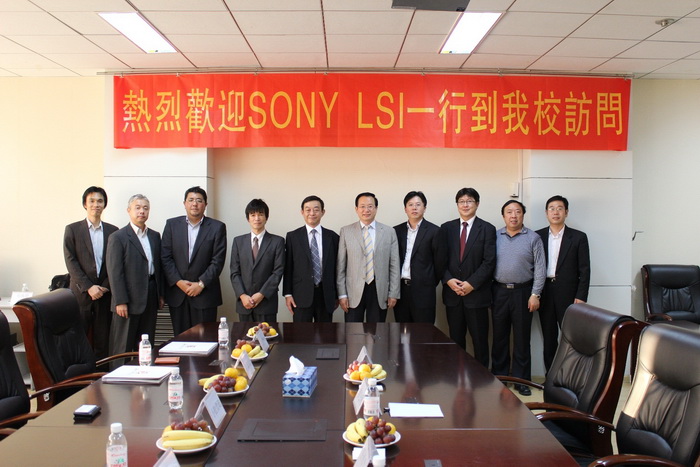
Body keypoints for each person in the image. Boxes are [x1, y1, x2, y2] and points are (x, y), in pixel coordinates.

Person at [492, 200, 545, 396]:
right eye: (509, 212)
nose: (513, 216)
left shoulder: (533, 238)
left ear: (523, 215)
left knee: (522, 339)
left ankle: (521, 380)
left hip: (523, 293)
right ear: (503, 215)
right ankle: (500, 377)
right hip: (498, 292)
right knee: (499, 337)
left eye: (517, 212)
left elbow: (540, 268)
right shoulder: (495, 236)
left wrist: (535, 294)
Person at [440, 188, 496, 367]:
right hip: (453, 295)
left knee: (480, 341)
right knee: (455, 341)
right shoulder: (446, 228)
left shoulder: (487, 229)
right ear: (457, 204)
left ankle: (482, 378)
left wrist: (471, 283)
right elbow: (440, 259)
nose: (465, 205)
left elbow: (489, 262)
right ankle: (458, 376)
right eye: (461, 201)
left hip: (477, 295)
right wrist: (448, 280)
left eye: (469, 201)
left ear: (477, 204)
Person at [161, 186, 227, 336]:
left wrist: (201, 284)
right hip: (178, 294)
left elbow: (217, 261)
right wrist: (179, 282)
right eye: (190, 200)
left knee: (205, 339)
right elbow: (165, 257)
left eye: (199, 200)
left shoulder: (217, 227)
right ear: (184, 203)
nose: (194, 204)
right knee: (180, 340)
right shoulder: (172, 225)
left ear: (205, 204)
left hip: (205, 294)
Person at [536, 195, 591, 373]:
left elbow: (585, 270)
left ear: (566, 212)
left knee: (571, 337)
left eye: (560, 208)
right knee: (549, 337)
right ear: (546, 213)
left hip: (569, 293)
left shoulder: (578, 237)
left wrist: (581, 297)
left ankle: (570, 376)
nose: (555, 212)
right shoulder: (537, 236)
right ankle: (550, 376)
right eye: (551, 208)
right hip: (545, 292)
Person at [63, 186, 118, 359]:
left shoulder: (113, 231)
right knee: (78, 339)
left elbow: (115, 263)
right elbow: (70, 261)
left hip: (104, 293)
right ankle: (79, 373)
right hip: (81, 294)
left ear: (104, 205)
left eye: (100, 201)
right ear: (85, 204)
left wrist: (104, 286)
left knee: (103, 340)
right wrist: (89, 287)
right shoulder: (72, 229)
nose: (96, 205)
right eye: (92, 201)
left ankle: (102, 372)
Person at [106, 194, 164, 356]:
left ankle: (145, 371)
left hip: (150, 296)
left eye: (145, 208)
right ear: (129, 210)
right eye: (137, 208)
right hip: (127, 300)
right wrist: (120, 301)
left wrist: (160, 294)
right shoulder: (118, 237)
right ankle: (119, 373)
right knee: (123, 346)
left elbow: (158, 267)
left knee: (146, 345)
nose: (142, 211)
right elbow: (115, 272)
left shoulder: (154, 236)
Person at [337, 192, 400, 323]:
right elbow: (341, 266)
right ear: (356, 209)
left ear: (376, 208)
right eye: (362, 206)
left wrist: (393, 293)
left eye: (370, 206)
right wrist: (342, 294)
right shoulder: (346, 231)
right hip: (353, 291)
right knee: (353, 332)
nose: (366, 210)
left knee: (377, 331)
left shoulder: (389, 232)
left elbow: (394, 265)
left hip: (379, 290)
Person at [283, 196, 339, 322]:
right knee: (301, 333)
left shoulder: (333, 237)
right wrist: (288, 294)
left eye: (316, 209)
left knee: (325, 333)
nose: (312, 213)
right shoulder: (293, 237)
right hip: (300, 295)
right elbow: (288, 267)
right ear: (302, 212)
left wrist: (337, 295)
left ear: (323, 212)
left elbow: (337, 268)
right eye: (308, 210)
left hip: (326, 295)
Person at [393, 191, 446, 324]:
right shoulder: (396, 231)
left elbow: (440, 263)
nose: (414, 208)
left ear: (424, 208)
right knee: (402, 331)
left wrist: (428, 282)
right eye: (410, 205)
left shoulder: (435, 231)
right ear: (405, 209)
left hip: (424, 291)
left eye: (418, 204)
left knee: (424, 331)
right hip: (400, 290)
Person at [230, 199, 285, 323]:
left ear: (266, 217)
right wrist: (242, 295)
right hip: (244, 303)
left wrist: (261, 294)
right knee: (245, 335)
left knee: (267, 335)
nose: (257, 218)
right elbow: (234, 272)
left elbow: (278, 272)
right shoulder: (238, 242)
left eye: (260, 214)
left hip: (266, 303)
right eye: (253, 215)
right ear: (248, 218)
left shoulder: (277, 242)